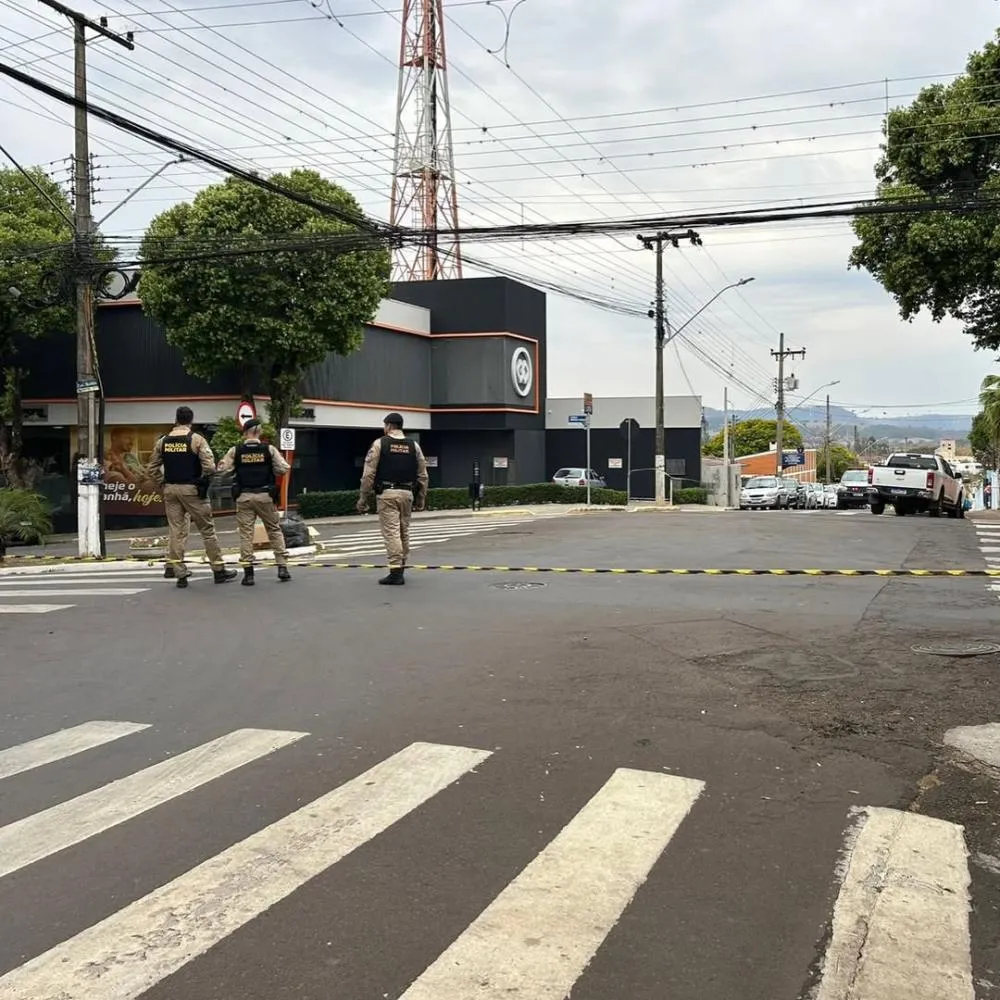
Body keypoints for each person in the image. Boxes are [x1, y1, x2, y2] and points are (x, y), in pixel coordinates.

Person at [145, 405, 237, 589]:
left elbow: (151, 468)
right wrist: (203, 478)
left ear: (176, 419)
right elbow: (209, 467)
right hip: (192, 490)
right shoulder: (197, 440)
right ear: (191, 421)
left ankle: (178, 572)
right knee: (207, 531)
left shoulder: (162, 441)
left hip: (170, 490)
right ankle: (218, 570)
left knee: (175, 531)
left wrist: (162, 482)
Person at [216, 418, 292, 587]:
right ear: (259, 432)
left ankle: (248, 574)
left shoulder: (235, 451)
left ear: (245, 433)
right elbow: (283, 468)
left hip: (244, 497)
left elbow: (222, 470)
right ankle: (282, 568)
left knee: (246, 534)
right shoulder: (269, 449)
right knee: (274, 530)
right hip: (265, 496)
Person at [357, 412, 428, 585]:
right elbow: (423, 475)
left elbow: (368, 475)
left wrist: (363, 499)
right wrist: (421, 498)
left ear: (388, 426)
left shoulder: (380, 443)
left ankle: (395, 572)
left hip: (387, 494)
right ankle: (402, 566)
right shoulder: (414, 446)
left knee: (392, 532)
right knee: (404, 531)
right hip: (407, 494)